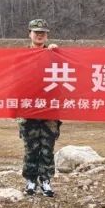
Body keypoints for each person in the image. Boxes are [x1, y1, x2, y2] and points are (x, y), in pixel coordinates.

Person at [20, 18, 61, 197]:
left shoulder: (54, 53)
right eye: (36, 32)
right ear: (29, 34)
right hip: (28, 108)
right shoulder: (21, 56)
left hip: (49, 110)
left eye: (43, 32)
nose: (39, 35)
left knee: (47, 147)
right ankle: (30, 180)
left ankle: (45, 180)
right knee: (31, 147)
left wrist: (56, 53)